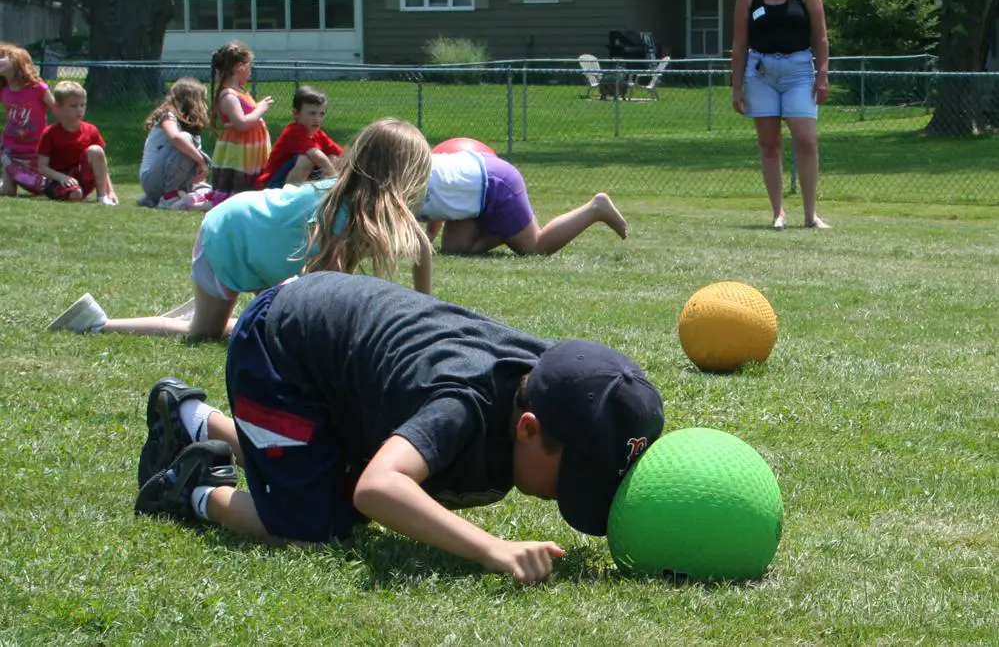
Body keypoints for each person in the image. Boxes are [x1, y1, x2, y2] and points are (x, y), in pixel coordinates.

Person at [133, 271, 665, 584]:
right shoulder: (463, 403)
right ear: (526, 428)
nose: (569, 495)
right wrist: (490, 548)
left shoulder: (550, 373)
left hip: (334, 355)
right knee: (318, 524)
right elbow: (378, 489)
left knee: (322, 471)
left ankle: (188, 415)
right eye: (573, 477)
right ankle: (192, 488)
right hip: (280, 354)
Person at [46, 117, 434, 339]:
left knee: (274, 330)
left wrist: (425, 312)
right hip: (229, 235)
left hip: (256, 240)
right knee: (203, 333)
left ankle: (200, 312)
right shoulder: (339, 207)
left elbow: (421, 249)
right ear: (403, 173)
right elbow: (322, 288)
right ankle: (98, 323)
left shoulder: (366, 208)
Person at [731, 0, 831, 230]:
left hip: (799, 72)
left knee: (807, 141)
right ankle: (779, 213)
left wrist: (822, 74)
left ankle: (811, 216)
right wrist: (736, 86)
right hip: (761, 73)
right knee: (769, 144)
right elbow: (740, 43)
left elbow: (820, 36)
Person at [421, 150, 628, 255]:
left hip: (495, 184)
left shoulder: (395, 183)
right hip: (476, 178)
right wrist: (430, 235)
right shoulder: (404, 165)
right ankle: (505, 228)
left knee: (535, 247)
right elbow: (441, 192)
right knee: (455, 249)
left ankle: (596, 208)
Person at [208, 41, 272, 205]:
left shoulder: (240, 92)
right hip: (239, 150)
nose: (250, 71)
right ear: (239, 67)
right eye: (249, 67)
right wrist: (260, 109)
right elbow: (241, 123)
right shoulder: (229, 95)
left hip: (250, 148)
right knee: (238, 186)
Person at [37, 81, 118, 205]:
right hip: (59, 180)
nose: (79, 110)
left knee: (96, 150)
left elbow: (102, 167)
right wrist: (61, 177)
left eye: (82, 105)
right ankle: (71, 192)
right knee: (76, 194)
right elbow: (42, 167)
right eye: (73, 106)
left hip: (82, 177)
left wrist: (110, 191)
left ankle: (103, 197)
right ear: (58, 107)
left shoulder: (91, 130)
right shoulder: (49, 133)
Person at [138, 77, 213, 210]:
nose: (205, 105)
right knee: (185, 140)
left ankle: (178, 196)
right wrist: (200, 160)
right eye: (203, 99)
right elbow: (175, 138)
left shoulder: (190, 124)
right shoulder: (167, 115)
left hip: (179, 181)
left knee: (211, 192)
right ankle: (168, 198)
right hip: (152, 180)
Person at [254, 85, 343, 189]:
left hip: (296, 180)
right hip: (273, 185)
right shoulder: (294, 131)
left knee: (333, 158)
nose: (317, 119)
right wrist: (335, 179)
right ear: (296, 114)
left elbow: (341, 153)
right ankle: (287, 198)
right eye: (312, 113)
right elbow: (316, 155)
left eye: (321, 114)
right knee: (307, 159)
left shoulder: (318, 134)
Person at [0, 43, 57, 196]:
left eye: (1, 58)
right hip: (10, 149)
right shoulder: (4, 91)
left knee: (40, 188)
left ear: (18, 62)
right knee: (8, 192)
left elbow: (57, 111)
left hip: (35, 150)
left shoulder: (38, 88)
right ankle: (8, 179)